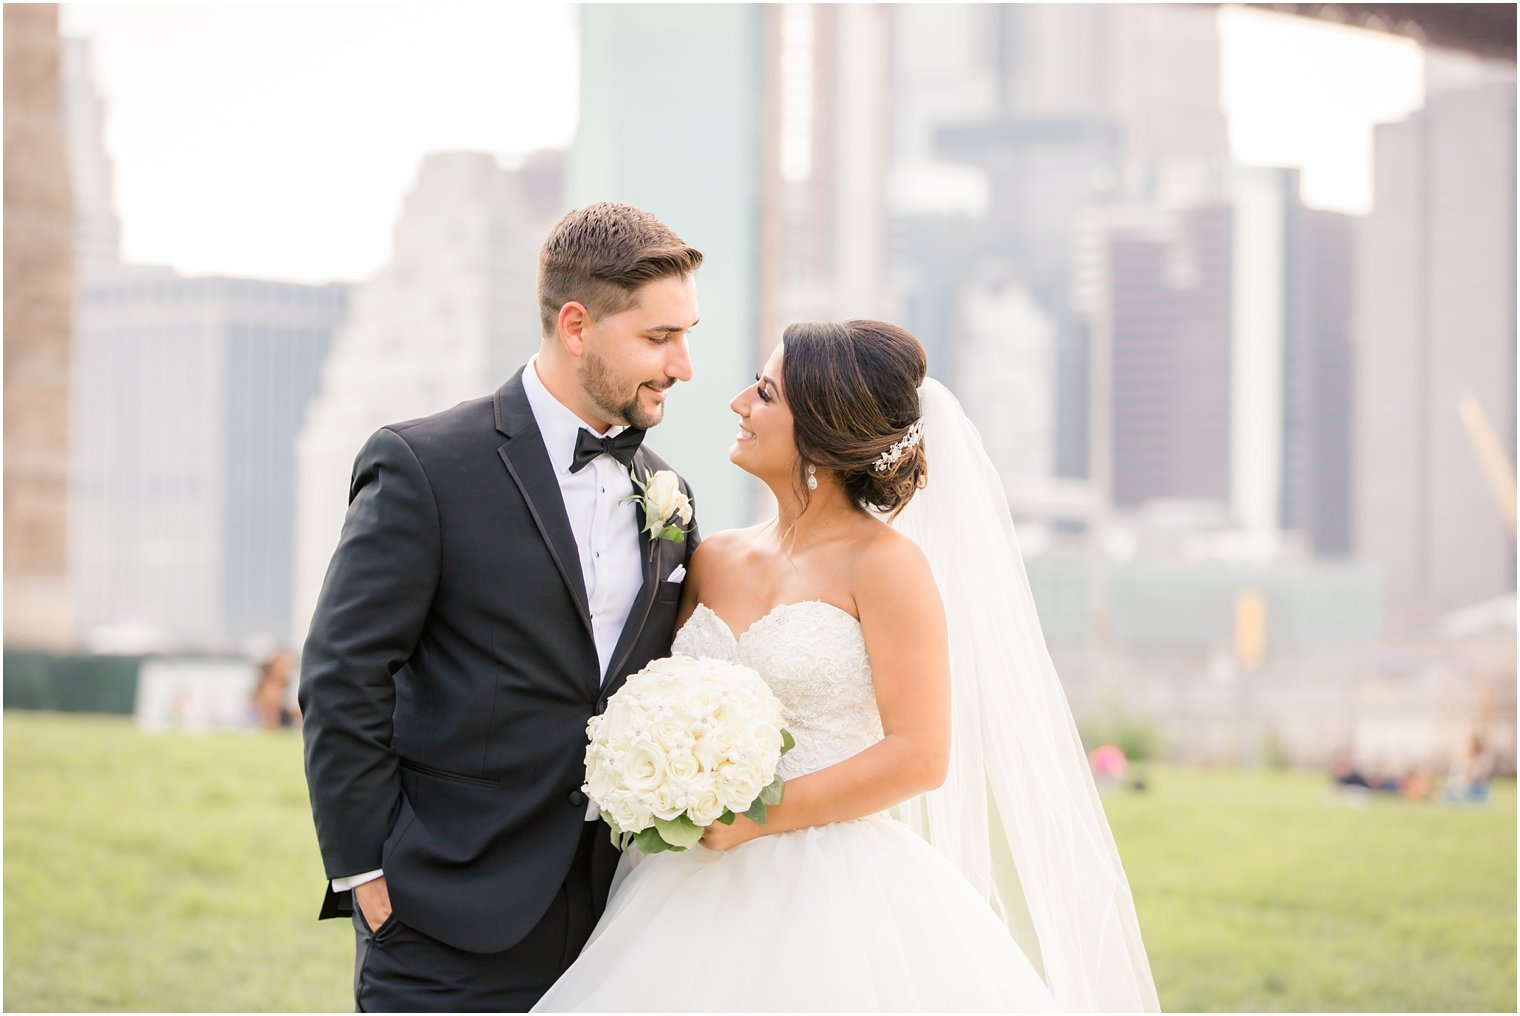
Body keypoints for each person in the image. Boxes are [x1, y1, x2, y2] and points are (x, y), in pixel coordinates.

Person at [534, 321, 1159, 1012]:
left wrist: (756, 822)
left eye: (765, 394)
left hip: (828, 888)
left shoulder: (887, 568)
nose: (738, 402)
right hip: (680, 879)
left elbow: (919, 757)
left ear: (822, 435)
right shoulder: (714, 558)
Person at [299, 202, 704, 1011]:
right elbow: (343, 674)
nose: (683, 365)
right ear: (578, 325)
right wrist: (369, 873)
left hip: (614, 926)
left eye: (686, 334)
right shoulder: (425, 465)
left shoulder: (670, 494)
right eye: (660, 339)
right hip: (442, 915)